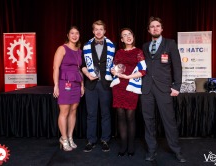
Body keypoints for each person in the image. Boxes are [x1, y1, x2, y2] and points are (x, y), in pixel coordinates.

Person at [141, 16, 186, 162]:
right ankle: (151, 150)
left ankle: (176, 150)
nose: (155, 28)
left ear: (162, 28)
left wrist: (177, 86)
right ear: (149, 30)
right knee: (148, 121)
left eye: (157, 26)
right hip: (147, 88)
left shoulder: (170, 43)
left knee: (169, 120)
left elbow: (177, 66)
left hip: (164, 88)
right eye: (152, 26)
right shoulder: (144, 46)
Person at [110, 28, 146, 157]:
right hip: (119, 87)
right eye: (124, 35)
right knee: (120, 116)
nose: (128, 36)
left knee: (130, 117)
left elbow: (143, 70)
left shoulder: (138, 52)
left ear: (133, 36)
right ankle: (123, 145)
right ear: (122, 40)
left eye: (129, 34)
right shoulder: (119, 52)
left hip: (131, 86)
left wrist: (127, 77)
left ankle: (131, 146)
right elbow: (113, 67)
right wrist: (114, 71)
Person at [82, 20, 115, 152]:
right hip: (90, 84)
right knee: (91, 114)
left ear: (105, 31)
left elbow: (115, 63)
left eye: (101, 29)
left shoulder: (112, 46)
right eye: (96, 29)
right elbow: (82, 65)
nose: (99, 31)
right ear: (93, 31)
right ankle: (91, 140)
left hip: (106, 84)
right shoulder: (86, 46)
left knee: (106, 113)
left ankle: (105, 140)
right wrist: (87, 74)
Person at [53, 25, 84, 151]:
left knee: (73, 111)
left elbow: (79, 70)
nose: (75, 35)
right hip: (64, 83)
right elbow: (56, 68)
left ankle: (70, 137)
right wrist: (56, 85)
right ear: (68, 35)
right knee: (64, 111)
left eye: (77, 33)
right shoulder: (62, 48)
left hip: (76, 83)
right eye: (72, 33)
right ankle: (64, 138)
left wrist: (82, 85)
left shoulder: (79, 50)